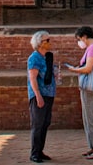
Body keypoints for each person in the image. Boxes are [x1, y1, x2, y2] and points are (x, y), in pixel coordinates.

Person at [66, 25, 93, 159]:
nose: (79, 42)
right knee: (88, 117)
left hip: (90, 88)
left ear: (84, 37)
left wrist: (73, 70)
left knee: (92, 117)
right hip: (89, 87)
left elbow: (88, 68)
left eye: (79, 39)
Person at [26, 30, 56, 163]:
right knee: (37, 124)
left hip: (49, 93)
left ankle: (40, 150)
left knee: (45, 123)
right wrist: (38, 95)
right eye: (47, 41)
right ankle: (34, 153)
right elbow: (32, 78)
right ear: (39, 43)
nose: (49, 43)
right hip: (40, 94)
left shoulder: (47, 57)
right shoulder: (34, 58)